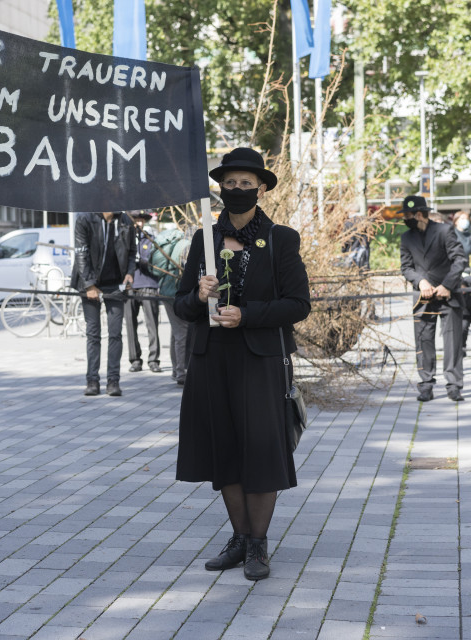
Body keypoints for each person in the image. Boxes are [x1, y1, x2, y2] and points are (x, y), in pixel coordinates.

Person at [174, 147, 310, 581]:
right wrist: (198, 296)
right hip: (211, 359)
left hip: (258, 360)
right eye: (229, 183)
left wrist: (246, 314)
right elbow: (180, 305)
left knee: (261, 451)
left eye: (245, 183)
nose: (236, 190)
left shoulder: (281, 240)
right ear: (220, 188)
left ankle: (258, 545)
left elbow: (298, 304)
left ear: (262, 188)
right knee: (225, 450)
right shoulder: (204, 240)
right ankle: (238, 537)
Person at [399, 195, 467, 402]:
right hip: (423, 298)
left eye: (408, 215)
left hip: (449, 296)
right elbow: (406, 267)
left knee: (453, 342)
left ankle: (454, 385)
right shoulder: (406, 238)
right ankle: (426, 384)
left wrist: (447, 285)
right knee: (424, 341)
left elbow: (459, 260)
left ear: (419, 214)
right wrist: (420, 282)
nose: (405, 219)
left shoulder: (444, 231)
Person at [71, 211, 135, 397]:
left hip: (115, 284)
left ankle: (113, 381)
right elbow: (81, 253)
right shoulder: (85, 219)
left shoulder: (125, 222)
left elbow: (132, 252)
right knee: (93, 334)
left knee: (115, 334)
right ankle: (92, 380)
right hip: (89, 281)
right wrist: (89, 284)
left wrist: (130, 272)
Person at [149, 227, 191, 385]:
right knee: (181, 332)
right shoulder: (186, 245)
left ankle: (176, 370)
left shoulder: (174, 244)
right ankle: (180, 372)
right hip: (176, 292)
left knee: (176, 332)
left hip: (165, 290)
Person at [124, 211, 162, 374]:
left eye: (140, 221)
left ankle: (153, 359)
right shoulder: (124, 238)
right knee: (130, 324)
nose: (138, 224)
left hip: (148, 284)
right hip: (129, 286)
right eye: (135, 221)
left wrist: (142, 260)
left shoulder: (152, 238)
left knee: (152, 324)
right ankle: (135, 359)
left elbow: (155, 260)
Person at [453, 211, 471, 357]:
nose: (466, 221)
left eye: (467, 219)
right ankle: (461, 347)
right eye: (463, 219)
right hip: (461, 279)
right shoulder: (452, 236)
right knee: (464, 319)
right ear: (456, 221)